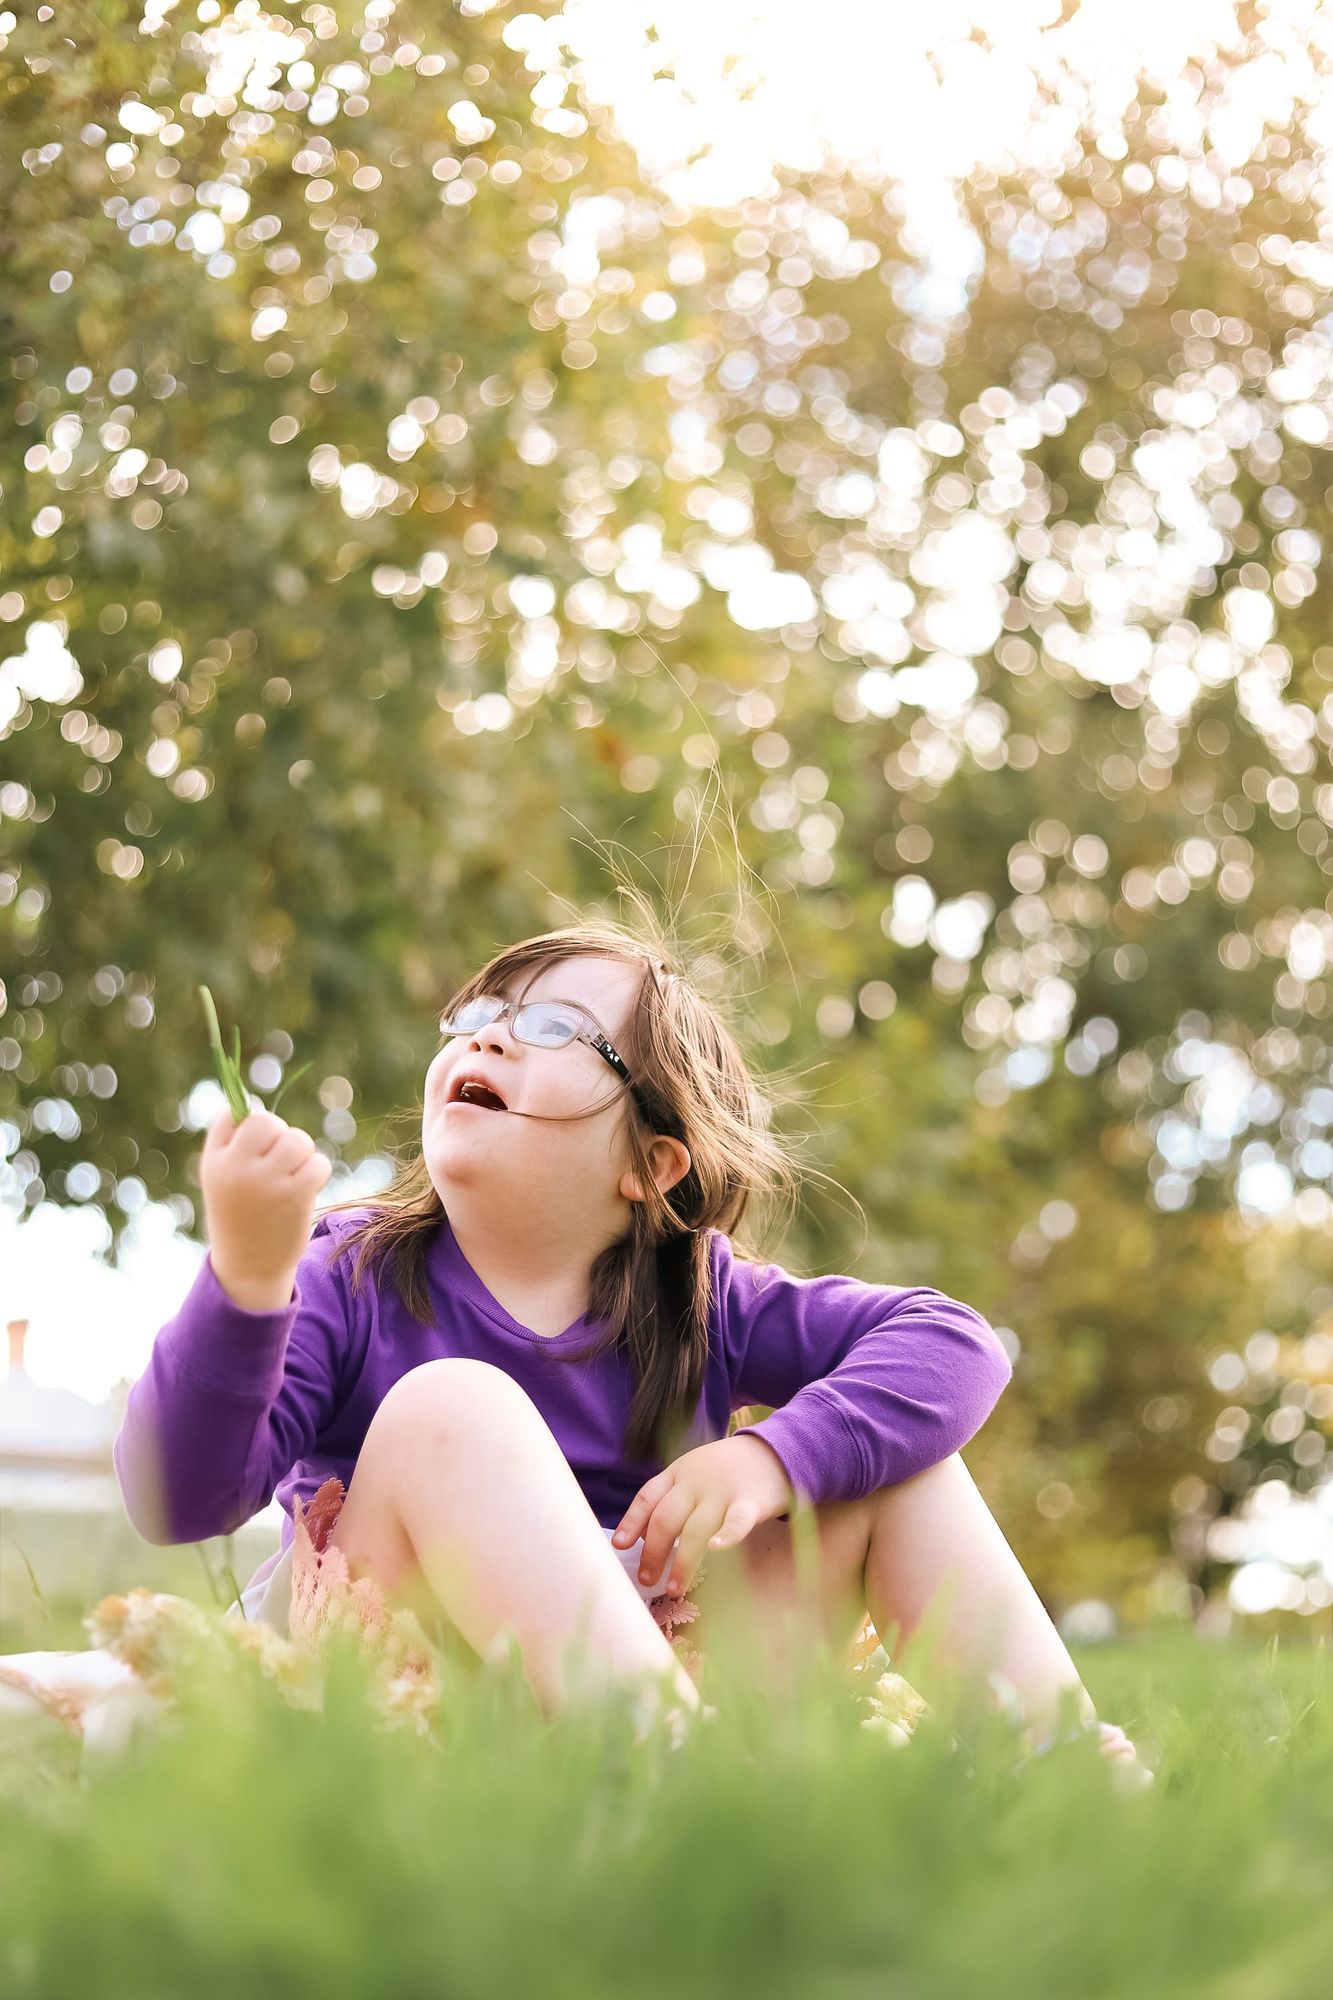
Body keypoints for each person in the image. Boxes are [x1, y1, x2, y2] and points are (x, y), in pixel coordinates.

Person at [111, 921, 1143, 1769]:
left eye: (552, 1026)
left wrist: (774, 1455)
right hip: (412, 1699)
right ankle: (678, 1787)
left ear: (650, 1164)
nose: (484, 1039)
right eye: (470, 1018)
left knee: (898, 1462)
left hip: (679, 1682)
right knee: (449, 1406)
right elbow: (178, 1498)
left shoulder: (699, 1298)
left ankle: (1055, 1766)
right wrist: (249, 1278)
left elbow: (953, 1341)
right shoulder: (352, 1271)